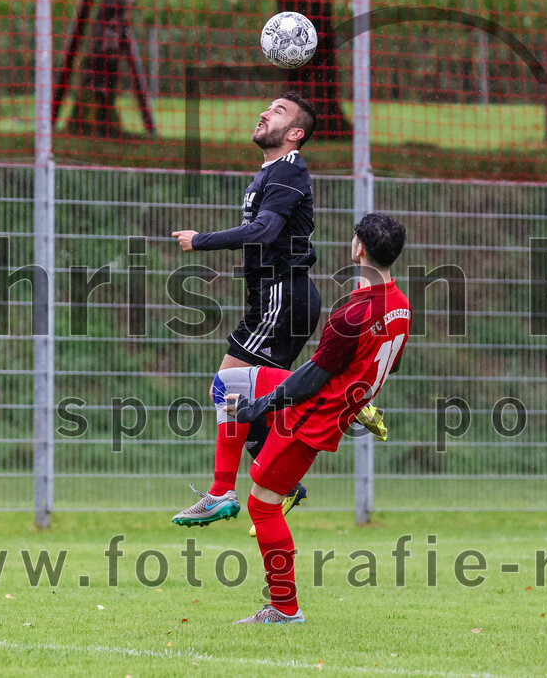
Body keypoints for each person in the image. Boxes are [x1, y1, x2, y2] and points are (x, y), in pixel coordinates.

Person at [215, 212, 410, 624]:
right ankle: (219, 491)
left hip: (313, 417)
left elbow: (312, 380)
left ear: (358, 248)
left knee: (263, 504)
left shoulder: (352, 313)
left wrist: (261, 407)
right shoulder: (401, 306)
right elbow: (382, 365)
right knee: (229, 382)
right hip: (337, 405)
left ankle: (285, 608)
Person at [169, 91, 324, 529]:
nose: (263, 113)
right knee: (243, 397)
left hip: (282, 295)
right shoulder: (274, 172)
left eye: (278, 111)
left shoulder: (289, 171)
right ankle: (271, 484)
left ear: (295, 134)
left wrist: (202, 240)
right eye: (267, 107)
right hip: (276, 296)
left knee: (228, 386)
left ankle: (335, 387)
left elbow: (265, 230)